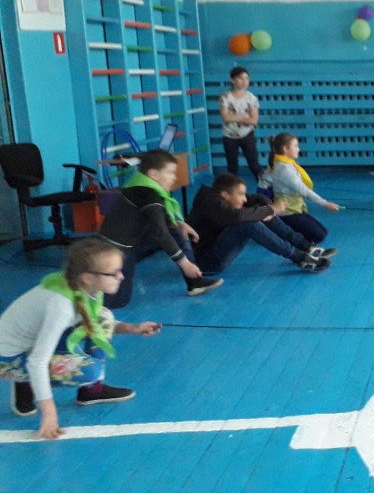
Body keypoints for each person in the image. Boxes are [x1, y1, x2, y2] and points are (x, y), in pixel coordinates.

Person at [0, 238, 161, 439]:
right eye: (113, 273)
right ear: (87, 278)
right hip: (8, 360)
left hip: (29, 346)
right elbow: (37, 362)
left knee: (103, 316)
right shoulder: (61, 306)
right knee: (89, 371)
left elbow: (93, 320)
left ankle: (91, 392)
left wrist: (133, 328)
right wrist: (49, 415)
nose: (121, 276)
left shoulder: (81, 287)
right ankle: (25, 382)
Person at [99, 150, 222, 308]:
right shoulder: (149, 194)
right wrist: (184, 263)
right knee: (118, 301)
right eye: (170, 172)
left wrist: (180, 223)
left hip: (132, 240)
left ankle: (194, 282)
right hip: (117, 248)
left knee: (175, 231)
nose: (174, 177)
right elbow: (159, 231)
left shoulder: (141, 183)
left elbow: (160, 218)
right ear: (154, 175)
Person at [187, 173, 333, 274]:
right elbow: (237, 216)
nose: (244, 198)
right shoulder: (211, 202)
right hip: (207, 262)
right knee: (247, 223)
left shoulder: (218, 196)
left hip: (215, 250)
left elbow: (255, 198)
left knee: (259, 209)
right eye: (240, 194)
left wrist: (268, 206)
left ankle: (305, 247)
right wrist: (271, 210)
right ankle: (299, 258)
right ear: (225, 195)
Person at [266, 133, 341, 241]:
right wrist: (326, 203)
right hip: (288, 212)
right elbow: (304, 190)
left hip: (296, 208)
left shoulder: (286, 163)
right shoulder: (284, 169)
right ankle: (280, 228)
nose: (298, 149)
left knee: (322, 232)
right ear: (285, 148)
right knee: (319, 235)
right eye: (295, 146)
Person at [219, 66, 263, 181]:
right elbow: (226, 117)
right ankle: (231, 190)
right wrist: (245, 116)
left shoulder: (251, 98)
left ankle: (264, 187)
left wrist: (233, 117)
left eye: (246, 78)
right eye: (240, 78)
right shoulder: (225, 97)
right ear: (232, 80)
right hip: (229, 136)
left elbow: (254, 120)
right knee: (232, 167)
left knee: (254, 165)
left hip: (247, 134)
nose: (244, 81)